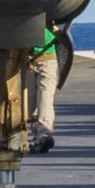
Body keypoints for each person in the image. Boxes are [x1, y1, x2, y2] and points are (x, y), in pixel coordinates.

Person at [27, 26, 66, 154]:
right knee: (36, 97)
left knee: (42, 95)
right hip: (34, 57)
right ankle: (40, 134)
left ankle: (43, 132)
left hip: (42, 56)